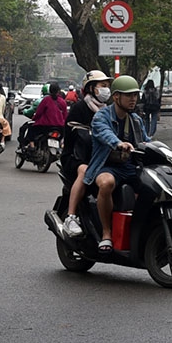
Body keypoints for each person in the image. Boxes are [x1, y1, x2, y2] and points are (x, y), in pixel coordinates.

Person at [83, 75, 147, 253]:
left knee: (152, 187)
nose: (133, 99)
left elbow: (146, 141)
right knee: (106, 183)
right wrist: (119, 143)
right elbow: (104, 133)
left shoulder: (136, 120)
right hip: (106, 165)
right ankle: (107, 233)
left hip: (130, 167)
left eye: (135, 95)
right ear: (116, 97)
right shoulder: (101, 116)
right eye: (129, 95)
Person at [60, 70, 111, 238]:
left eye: (108, 86)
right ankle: (71, 216)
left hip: (99, 157)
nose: (106, 89)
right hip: (76, 157)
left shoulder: (108, 110)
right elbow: (77, 138)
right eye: (102, 86)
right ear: (91, 88)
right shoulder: (79, 108)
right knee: (84, 171)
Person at [19, 81, 67, 148]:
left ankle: (32, 146)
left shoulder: (46, 100)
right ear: (59, 91)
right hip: (60, 127)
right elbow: (65, 115)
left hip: (45, 126)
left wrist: (34, 119)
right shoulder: (62, 101)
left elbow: (39, 112)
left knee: (31, 131)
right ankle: (62, 145)